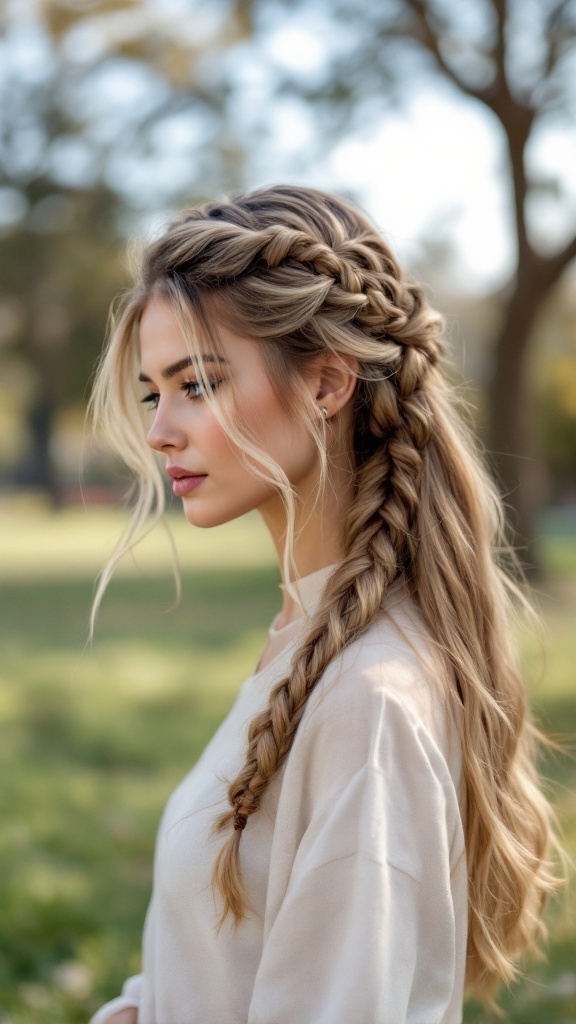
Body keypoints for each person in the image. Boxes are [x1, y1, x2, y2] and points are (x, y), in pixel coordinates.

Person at [88, 185, 561, 1024]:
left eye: (198, 383)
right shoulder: (304, 636)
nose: (160, 430)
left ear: (328, 384)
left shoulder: (369, 699)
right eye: (154, 393)